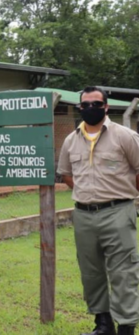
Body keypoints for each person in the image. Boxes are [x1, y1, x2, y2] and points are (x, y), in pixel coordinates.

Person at [58, 86, 139, 335]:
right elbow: (67, 176)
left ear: (106, 107)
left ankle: (126, 326)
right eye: (85, 105)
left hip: (118, 211)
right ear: (80, 108)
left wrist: (126, 197)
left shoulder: (125, 136)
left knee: (123, 272)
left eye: (96, 104)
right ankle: (103, 324)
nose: (90, 108)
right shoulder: (71, 140)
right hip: (83, 215)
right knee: (90, 272)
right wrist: (87, 194)